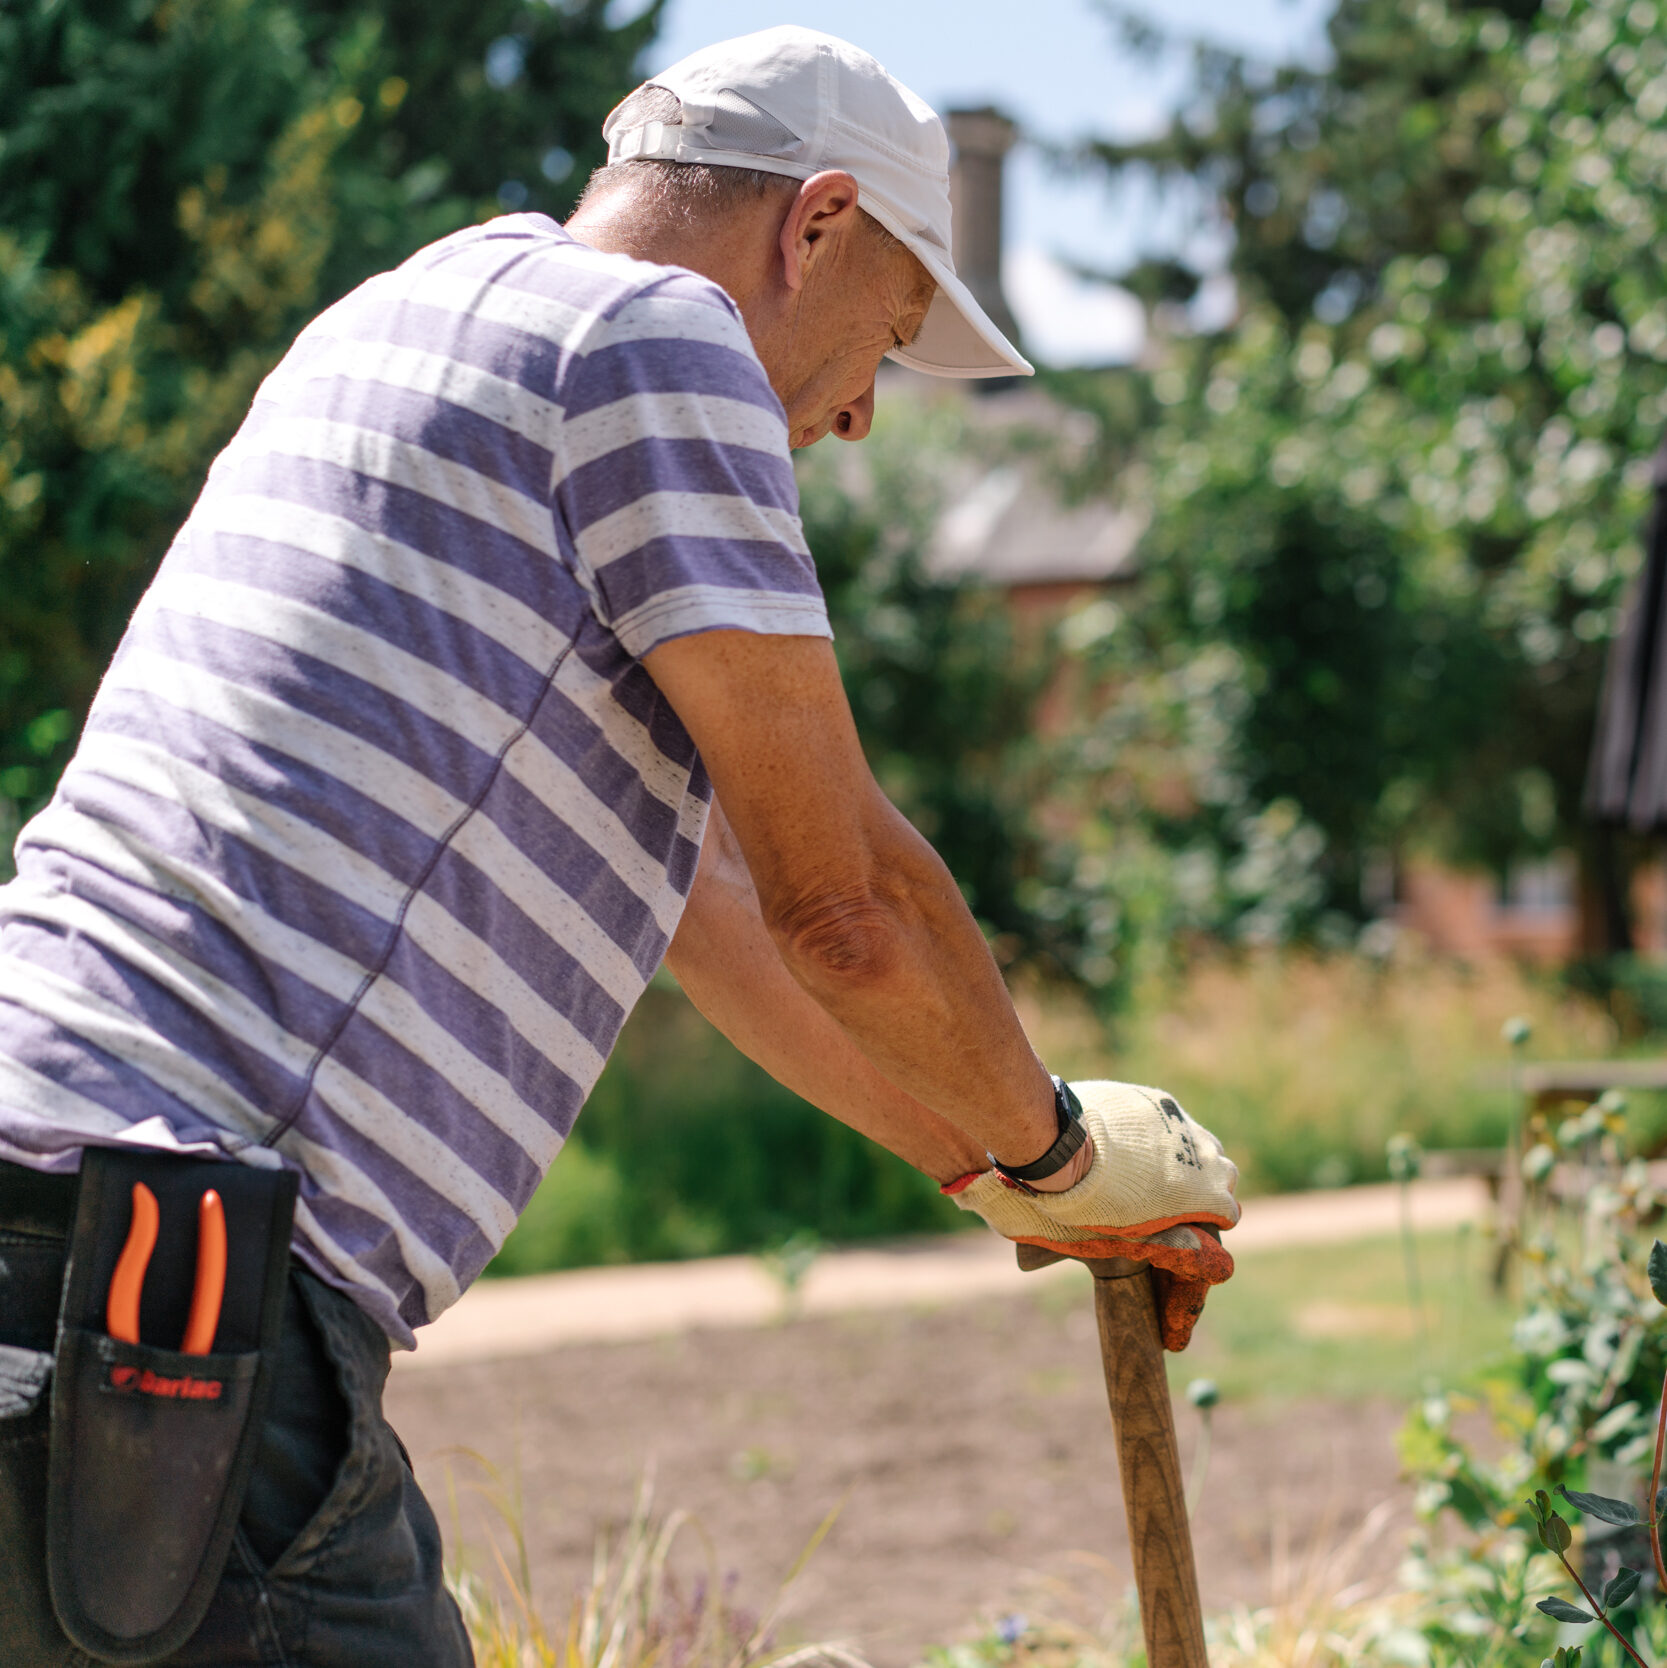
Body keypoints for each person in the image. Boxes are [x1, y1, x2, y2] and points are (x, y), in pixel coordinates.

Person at [0, 25, 1238, 1667]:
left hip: (66, 1217)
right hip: (183, 1283)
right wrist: (1067, 1149)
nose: (865, 411)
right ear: (815, 224)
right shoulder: (661, 341)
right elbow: (844, 906)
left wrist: (995, 1171)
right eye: (893, 328)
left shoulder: (405, 311)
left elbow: (714, 905)